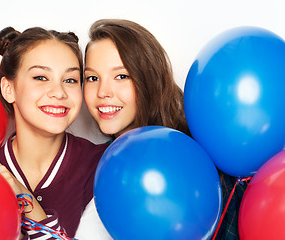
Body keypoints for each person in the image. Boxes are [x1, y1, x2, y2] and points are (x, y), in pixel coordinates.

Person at [82, 19, 246, 240]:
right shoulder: (93, 167)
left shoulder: (205, 163)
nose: (103, 91)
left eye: (121, 76)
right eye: (92, 78)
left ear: (148, 79)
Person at [0, 26, 109, 240]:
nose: (59, 92)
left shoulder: (103, 165)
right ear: (9, 89)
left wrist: (25, 198)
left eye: (70, 80)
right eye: (41, 77)